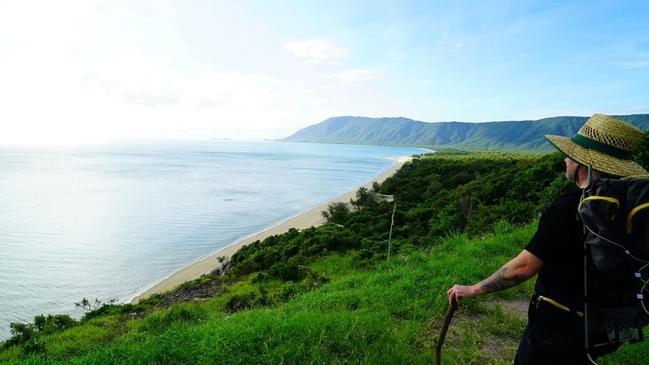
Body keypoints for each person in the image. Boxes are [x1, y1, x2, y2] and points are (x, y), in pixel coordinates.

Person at [446, 114, 648, 364]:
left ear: (584, 164)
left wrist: (473, 289)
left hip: (557, 327)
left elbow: (523, 267)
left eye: (570, 155)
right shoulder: (627, 208)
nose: (565, 159)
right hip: (602, 323)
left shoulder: (567, 208)